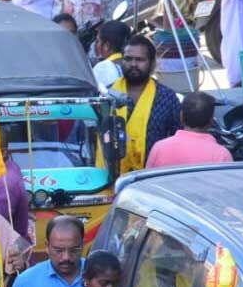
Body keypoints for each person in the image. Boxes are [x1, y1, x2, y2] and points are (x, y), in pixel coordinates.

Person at [115, 35, 182, 173]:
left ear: (151, 63)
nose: (133, 64)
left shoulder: (166, 97)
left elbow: (177, 138)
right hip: (112, 178)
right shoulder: (108, 95)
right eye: (128, 59)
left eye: (139, 60)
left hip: (154, 178)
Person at [145, 92, 234, 168]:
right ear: (211, 121)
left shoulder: (159, 148)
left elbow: (144, 183)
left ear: (181, 116)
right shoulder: (221, 155)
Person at [93, 20, 131, 89]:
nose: (96, 45)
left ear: (107, 46)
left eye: (98, 41)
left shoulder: (102, 67)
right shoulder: (134, 64)